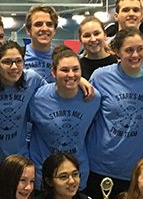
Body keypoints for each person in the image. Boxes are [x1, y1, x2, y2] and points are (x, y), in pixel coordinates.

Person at [86, 27, 143, 199]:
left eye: (140, 49)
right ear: (117, 52)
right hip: (100, 166)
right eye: (129, 50)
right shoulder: (101, 76)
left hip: (133, 168)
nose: (135, 55)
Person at [0, 41, 44, 196]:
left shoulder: (32, 79)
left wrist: (80, 80)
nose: (14, 67)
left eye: (18, 61)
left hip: (19, 166)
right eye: (7, 62)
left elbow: (55, 91)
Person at [28, 47, 101, 190]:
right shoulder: (37, 98)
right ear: (53, 73)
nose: (71, 74)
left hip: (76, 175)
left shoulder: (93, 98)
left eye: (75, 69)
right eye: (65, 70)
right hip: (43, 175)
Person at [23, 5, 57, 82]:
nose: (45, 28)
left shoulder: (62, 57)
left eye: (49, 24)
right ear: (28, 30)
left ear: (54, 30)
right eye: (38, 24)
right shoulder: (19, 55)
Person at [77, 15, 117, 80]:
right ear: (80, 40)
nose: (93, 39)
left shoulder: (118, 64)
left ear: (105, 35)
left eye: (96, 33)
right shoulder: (77, 68)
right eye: (87, 36)